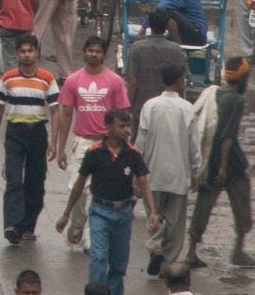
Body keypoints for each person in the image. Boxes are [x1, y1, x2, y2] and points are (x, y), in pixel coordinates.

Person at [56, 107, 153, 295]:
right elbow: (79, 183)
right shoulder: (94, 152)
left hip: (124, 213)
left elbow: (144, 183)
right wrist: (66, 214)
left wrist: (153, 213)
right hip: (100, 211)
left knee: (118, 263)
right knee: (98, 257)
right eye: (122, 126)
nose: (126, 130)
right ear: (108, 127)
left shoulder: (133, 154)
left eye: (128, 126)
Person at [184, 58, 255, 270]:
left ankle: (191, 252)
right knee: (242, 205)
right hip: (230, 164)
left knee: (203, 206)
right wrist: (223, 169)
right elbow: (228, 136)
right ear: (244, 78)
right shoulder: (236, 101)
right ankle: (238, 251)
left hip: (210, 160)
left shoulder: (214, 94)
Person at [58, 36, 131, 248]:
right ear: (84, 52)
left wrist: (124, 144)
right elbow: (65, 115)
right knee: (77, 188)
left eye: (98, 51)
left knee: (96, 191)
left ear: (103, 55)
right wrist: (61, 148)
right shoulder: (73, 80)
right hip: (81, 141)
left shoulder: (115, 82)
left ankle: (92, 238)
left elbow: (123, 114)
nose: (93, 54)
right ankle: (78, 222)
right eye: (90, 50)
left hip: (107, 144)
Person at [0, 33, 60, 245]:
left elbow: (55, 111)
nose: (26, 55)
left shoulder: (47, 79)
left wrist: (54, 142)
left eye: (30, 51)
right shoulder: (8, 78)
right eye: (22, 51)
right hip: (14, 134)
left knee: (35, 183)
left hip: (38, 133)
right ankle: (11, 225)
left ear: (37, 53)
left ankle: (28, 226)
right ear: (17, 53)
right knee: (14, 180)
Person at [139, 64, 200, 276]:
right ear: (179, 81)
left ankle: (155, 246)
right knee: (175, 224)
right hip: (178, 175)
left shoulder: (150, 106)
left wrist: (138, 173)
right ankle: (167, 263)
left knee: (153, 215)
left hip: (152, 173)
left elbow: (141, 141)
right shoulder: (187, 108)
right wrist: (195, 171)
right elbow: (194, 146)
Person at [122, 11, 189, 121]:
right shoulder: (175, 49)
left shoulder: (136, 48)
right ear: (166, 26)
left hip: (141, 109)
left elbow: (132, 83)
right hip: (168, 111)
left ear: (149, 24)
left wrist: (127, 111)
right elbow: (182, 81)